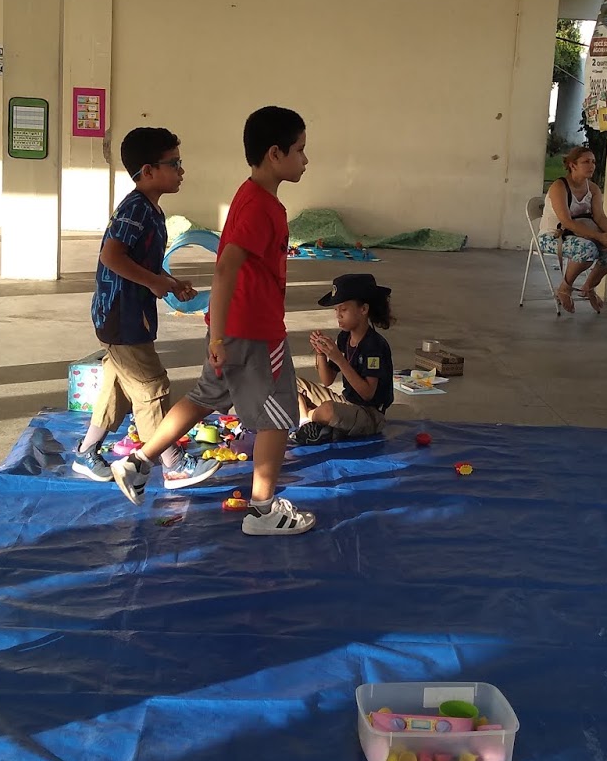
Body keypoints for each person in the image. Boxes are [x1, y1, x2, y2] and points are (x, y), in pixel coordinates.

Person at [111, 105, 317, 535]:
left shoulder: (251, 196)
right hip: (254, 332)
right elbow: (226, 268)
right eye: (299, 150)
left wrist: (219, 334)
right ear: (275, 153)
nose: (305, 159)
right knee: (279, 416)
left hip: (234, 328)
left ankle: (138, 462)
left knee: (206, 396)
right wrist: (219, 336)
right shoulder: (261, 208)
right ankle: (263, 512)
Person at [72, 127, 216, 487]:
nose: (182, 171)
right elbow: (112, 256)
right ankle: (172, 463)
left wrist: (168, 282)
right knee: (151, 386)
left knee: (118, 385)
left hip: (127, 313)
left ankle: (86, 452)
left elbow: (141, 261)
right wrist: (153, 282)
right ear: (148, 171)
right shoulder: (136, 209)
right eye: (174, 163)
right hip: (121, 314)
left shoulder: (150, 210)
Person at [292, 273, 395, 445]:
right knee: (290, 383)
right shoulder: (344, 337)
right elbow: (327, 380)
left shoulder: (374, 345)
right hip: (347, 402)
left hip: (369, 414)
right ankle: (307, 422)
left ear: (363, 309)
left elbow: (367, 394)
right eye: (336, 310)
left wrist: (340, 360)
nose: (338, 315)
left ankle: (310, 417)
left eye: (344, 309)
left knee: (329, 410)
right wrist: (321, 353)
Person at [539, 145, 607, 312]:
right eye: (586, 162)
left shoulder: (593, 189)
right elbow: (566, 222)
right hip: (553, 236)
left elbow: (600, 216)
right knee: (587, 250)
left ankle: (588, 287)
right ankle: (565, 288)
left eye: (593, 162)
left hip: (581, 235)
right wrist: (598, 237)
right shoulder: (559, 187)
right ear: (572, 165)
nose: (591, 166)